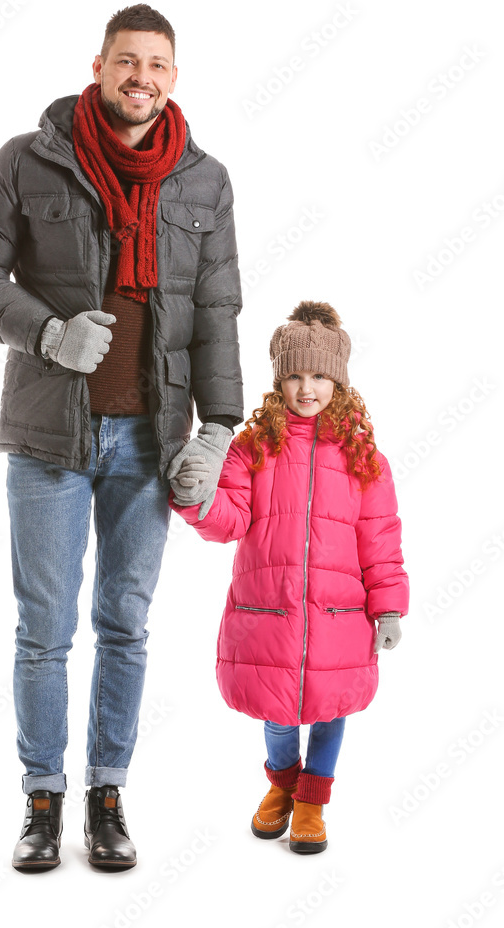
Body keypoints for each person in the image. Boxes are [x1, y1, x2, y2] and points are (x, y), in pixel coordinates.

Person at [0, 3, 243, 872]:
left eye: (156, 64)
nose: (140, 77)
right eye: (126, 61)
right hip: (48, 440)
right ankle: (43, 799)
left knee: (126, 624)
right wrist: (43, 332)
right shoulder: (29, 159)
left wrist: (218, 428)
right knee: (44, 629)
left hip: (154, 441)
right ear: (100, 66)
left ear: (173, 78)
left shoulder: (204, 181)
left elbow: (217, 314)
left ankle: (108, 792)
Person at [168, 301, 408, 853]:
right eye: (295, 375)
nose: (307, 387)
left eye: (319, 375)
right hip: (268, 608)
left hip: (340, 612)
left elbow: (381, 539)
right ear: (278, 381)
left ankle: (310, 801)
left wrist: (389, 606)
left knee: (331, 704)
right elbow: (229, 521)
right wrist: (198, 499)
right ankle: (282, 783)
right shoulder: (254, 449)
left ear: (339, 381)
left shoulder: (363, 458)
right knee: (276, 707)